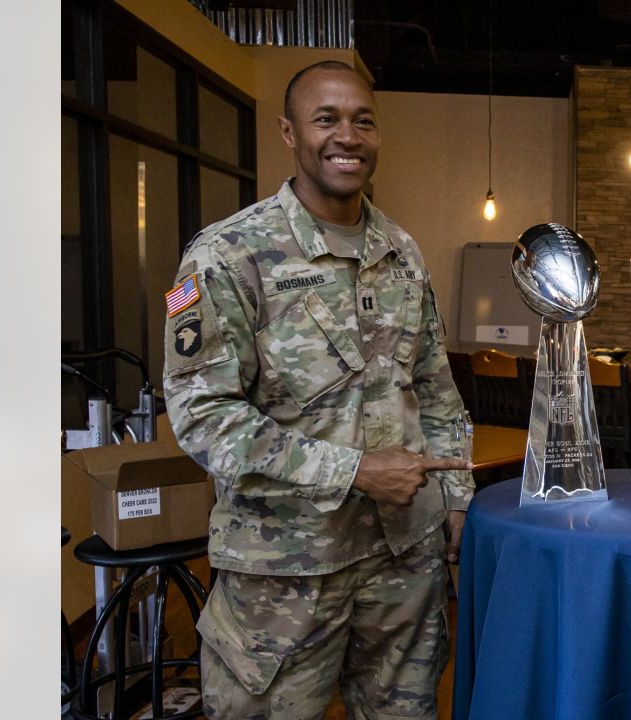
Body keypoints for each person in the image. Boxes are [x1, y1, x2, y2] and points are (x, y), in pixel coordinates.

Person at [162, 60, 474, 719]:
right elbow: (203, 417)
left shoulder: (401, 251)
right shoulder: (227, 255)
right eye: (326, 119)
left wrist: (456, 502)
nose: (347, 136)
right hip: (285, 572)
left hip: (403, 563)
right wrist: (356, 471)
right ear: (289, 132)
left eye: (363, 120)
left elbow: (435, 390)